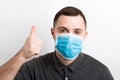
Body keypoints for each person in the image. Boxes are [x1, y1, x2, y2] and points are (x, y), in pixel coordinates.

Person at [0, 6, 114, 80]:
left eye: (77, 32)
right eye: (63, 30)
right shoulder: (33, 69)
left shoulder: (101, 73)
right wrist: (22, 55)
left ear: (85, 36)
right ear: (53, 33)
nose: (70, 37)